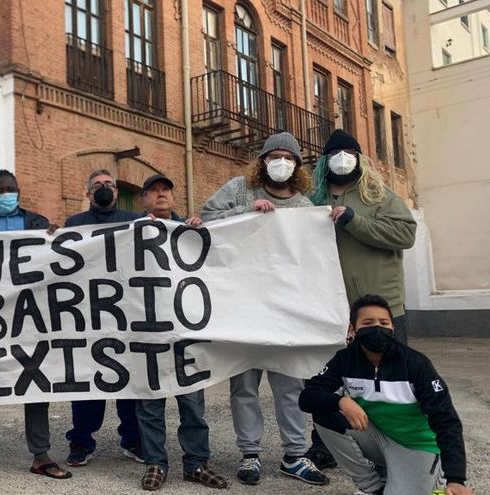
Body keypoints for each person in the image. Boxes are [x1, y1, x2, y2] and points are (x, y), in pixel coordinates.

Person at [200, 132, 329, 486]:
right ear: (263, 160)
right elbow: (207, 217)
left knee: (290, 386)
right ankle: (250, 454)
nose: (281, 162)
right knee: (244, 386)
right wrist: (246, 211)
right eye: (275, 156)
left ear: (298, 166)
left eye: (289, 157)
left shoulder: (304, 208)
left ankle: (295, 456)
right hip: (243, 308)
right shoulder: (240, 189)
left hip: (287, 312)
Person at [305, 129, 417, 470]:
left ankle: (393, 445)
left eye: (349, 153)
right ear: (324, 161)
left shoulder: (378, 195)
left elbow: (405, 233)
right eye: (334, 154)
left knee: (387, 380)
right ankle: (325, 445)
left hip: (381, 310)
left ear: (359, 158)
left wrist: (354, 221)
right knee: (326, 379)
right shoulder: (313, 200)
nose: (342, 159)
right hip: (330, 310)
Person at [0, 169, 70, 483]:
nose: (6, 193)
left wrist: (54, 237)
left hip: (31, 316)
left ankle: (41, 455)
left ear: (18, 191)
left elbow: (51, 259)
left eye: (10, 188)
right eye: (0, 190)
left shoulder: (37, 223)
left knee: (36, 384)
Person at [299, 294, 471, 495]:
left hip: (416, 445)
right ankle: (373, 488)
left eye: (383, 323)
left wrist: (456, 478)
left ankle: (432, 473)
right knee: (325, 411)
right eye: (368, 323)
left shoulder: (415, 364)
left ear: (392, 328)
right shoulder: (345, 359)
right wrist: (341, 401)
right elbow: (307, 397)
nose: (377, 328)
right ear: (353, 329)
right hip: (377, 437)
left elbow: (446, 419)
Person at [134, 174, 228, 490]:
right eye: (153, 191)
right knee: (150, 404)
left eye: (166, 190)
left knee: (193, 404)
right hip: (147, 333)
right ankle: (155, 463)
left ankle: (196, 463)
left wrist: (199, 232)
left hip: (186, 332)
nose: (161, 195)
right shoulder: (129, 233)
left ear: (174, 198)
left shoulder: (190, 231)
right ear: (143, 199)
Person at [64, 168, 145, 467]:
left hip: (127, 313)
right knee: (88, 380)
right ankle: (81, 441)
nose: (104, 187)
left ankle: (134, 440)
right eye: (97, 184)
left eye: (109, 184)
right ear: (88, 192)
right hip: (87, 314)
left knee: (129, 379)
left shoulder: (135, 220)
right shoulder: (74, 224)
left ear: (116, 190)